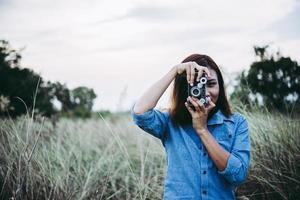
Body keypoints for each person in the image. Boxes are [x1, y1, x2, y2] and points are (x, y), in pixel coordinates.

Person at [131, 54, 251, 199]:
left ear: (220, 86)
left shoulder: (236, 123)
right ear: (185, 89)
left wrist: (202, 130)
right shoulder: (170, 121)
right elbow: (139, 113)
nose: (205, 93)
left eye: (211, 84)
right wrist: (174, 71)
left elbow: (238, 175)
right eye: (197, 86)